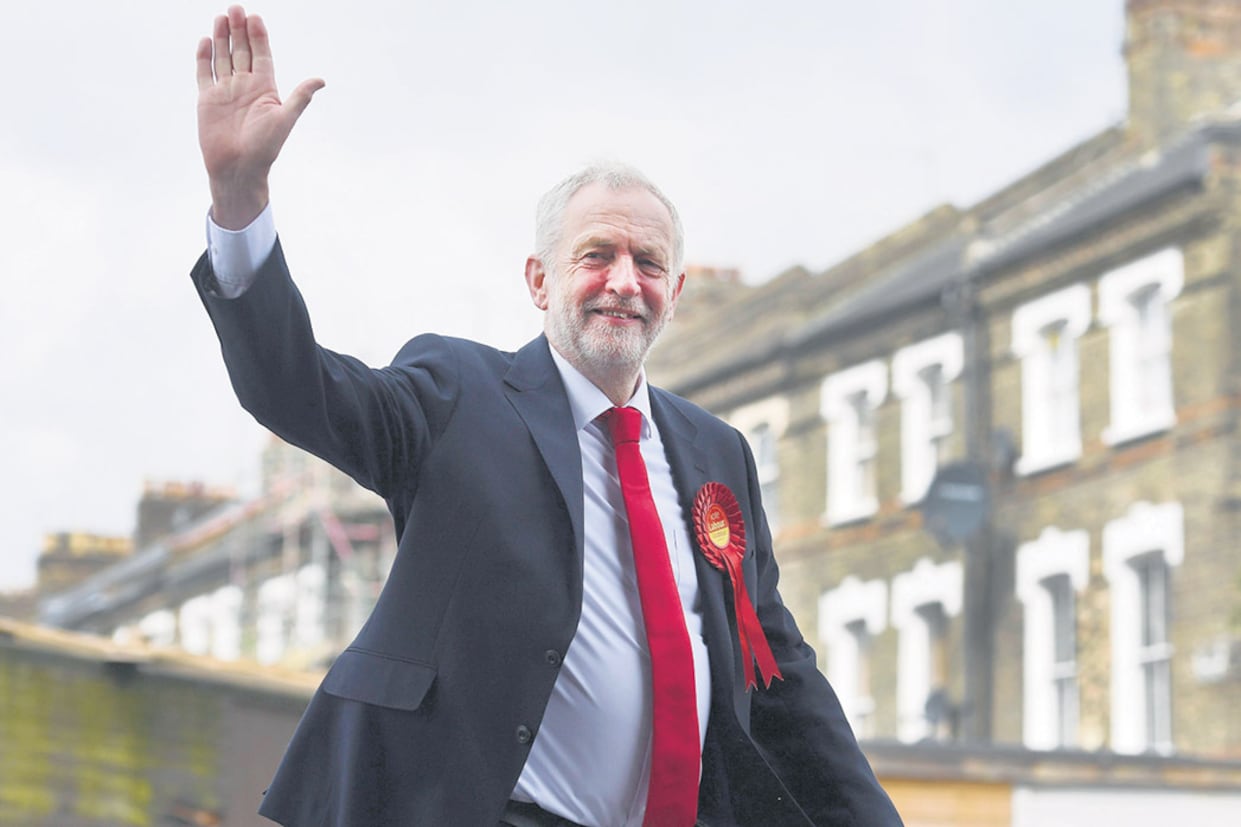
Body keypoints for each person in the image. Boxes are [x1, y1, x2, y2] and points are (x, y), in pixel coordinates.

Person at [192, 6, 904, 826]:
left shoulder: (718, 452)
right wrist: (239, 203)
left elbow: (776, 672)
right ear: (538, 280)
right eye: (595, 254)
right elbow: (296, 390)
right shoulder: (457, 392)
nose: (622, 280)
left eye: (648, 263)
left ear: (674, 294)